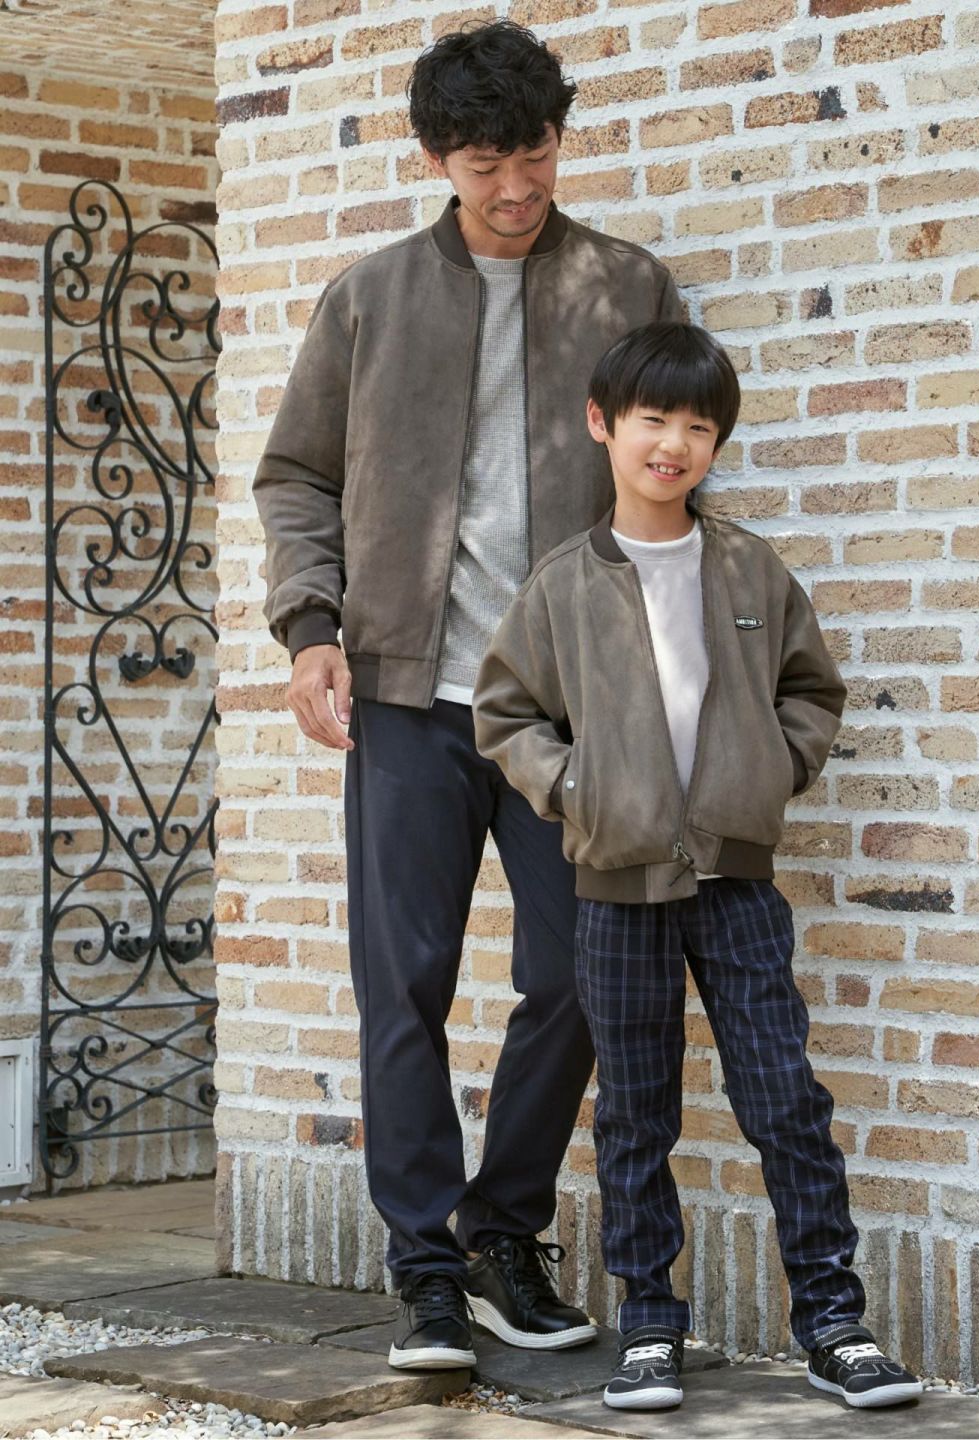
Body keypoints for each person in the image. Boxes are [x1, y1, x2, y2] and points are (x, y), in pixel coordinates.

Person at [252, 21, 684, 1370]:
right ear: (437, 158)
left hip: (565, 707)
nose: (515, 187)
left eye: (535, 153)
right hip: (405, 697)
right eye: (486, 163)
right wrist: (310, 630)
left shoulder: (627, 287)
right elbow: (296, 475)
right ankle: (426, 1269)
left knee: (580, 976)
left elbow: (674, 469)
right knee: (405, 985)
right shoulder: (371, 298)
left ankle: (503, 1235)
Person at [473, 323, 923, 1412]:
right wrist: (577, 789)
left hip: (738, 886)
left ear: (716, 443)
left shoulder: (748, 566)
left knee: (785, 1100)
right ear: (603, 425)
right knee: (636, 1114)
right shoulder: (564, 584)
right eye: (653, 420)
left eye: (698, 427)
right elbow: (506, 712)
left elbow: (811, 691)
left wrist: (769, 770)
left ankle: (834, 1322)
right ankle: (649, 1326)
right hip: (616, 892)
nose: (673, 443)